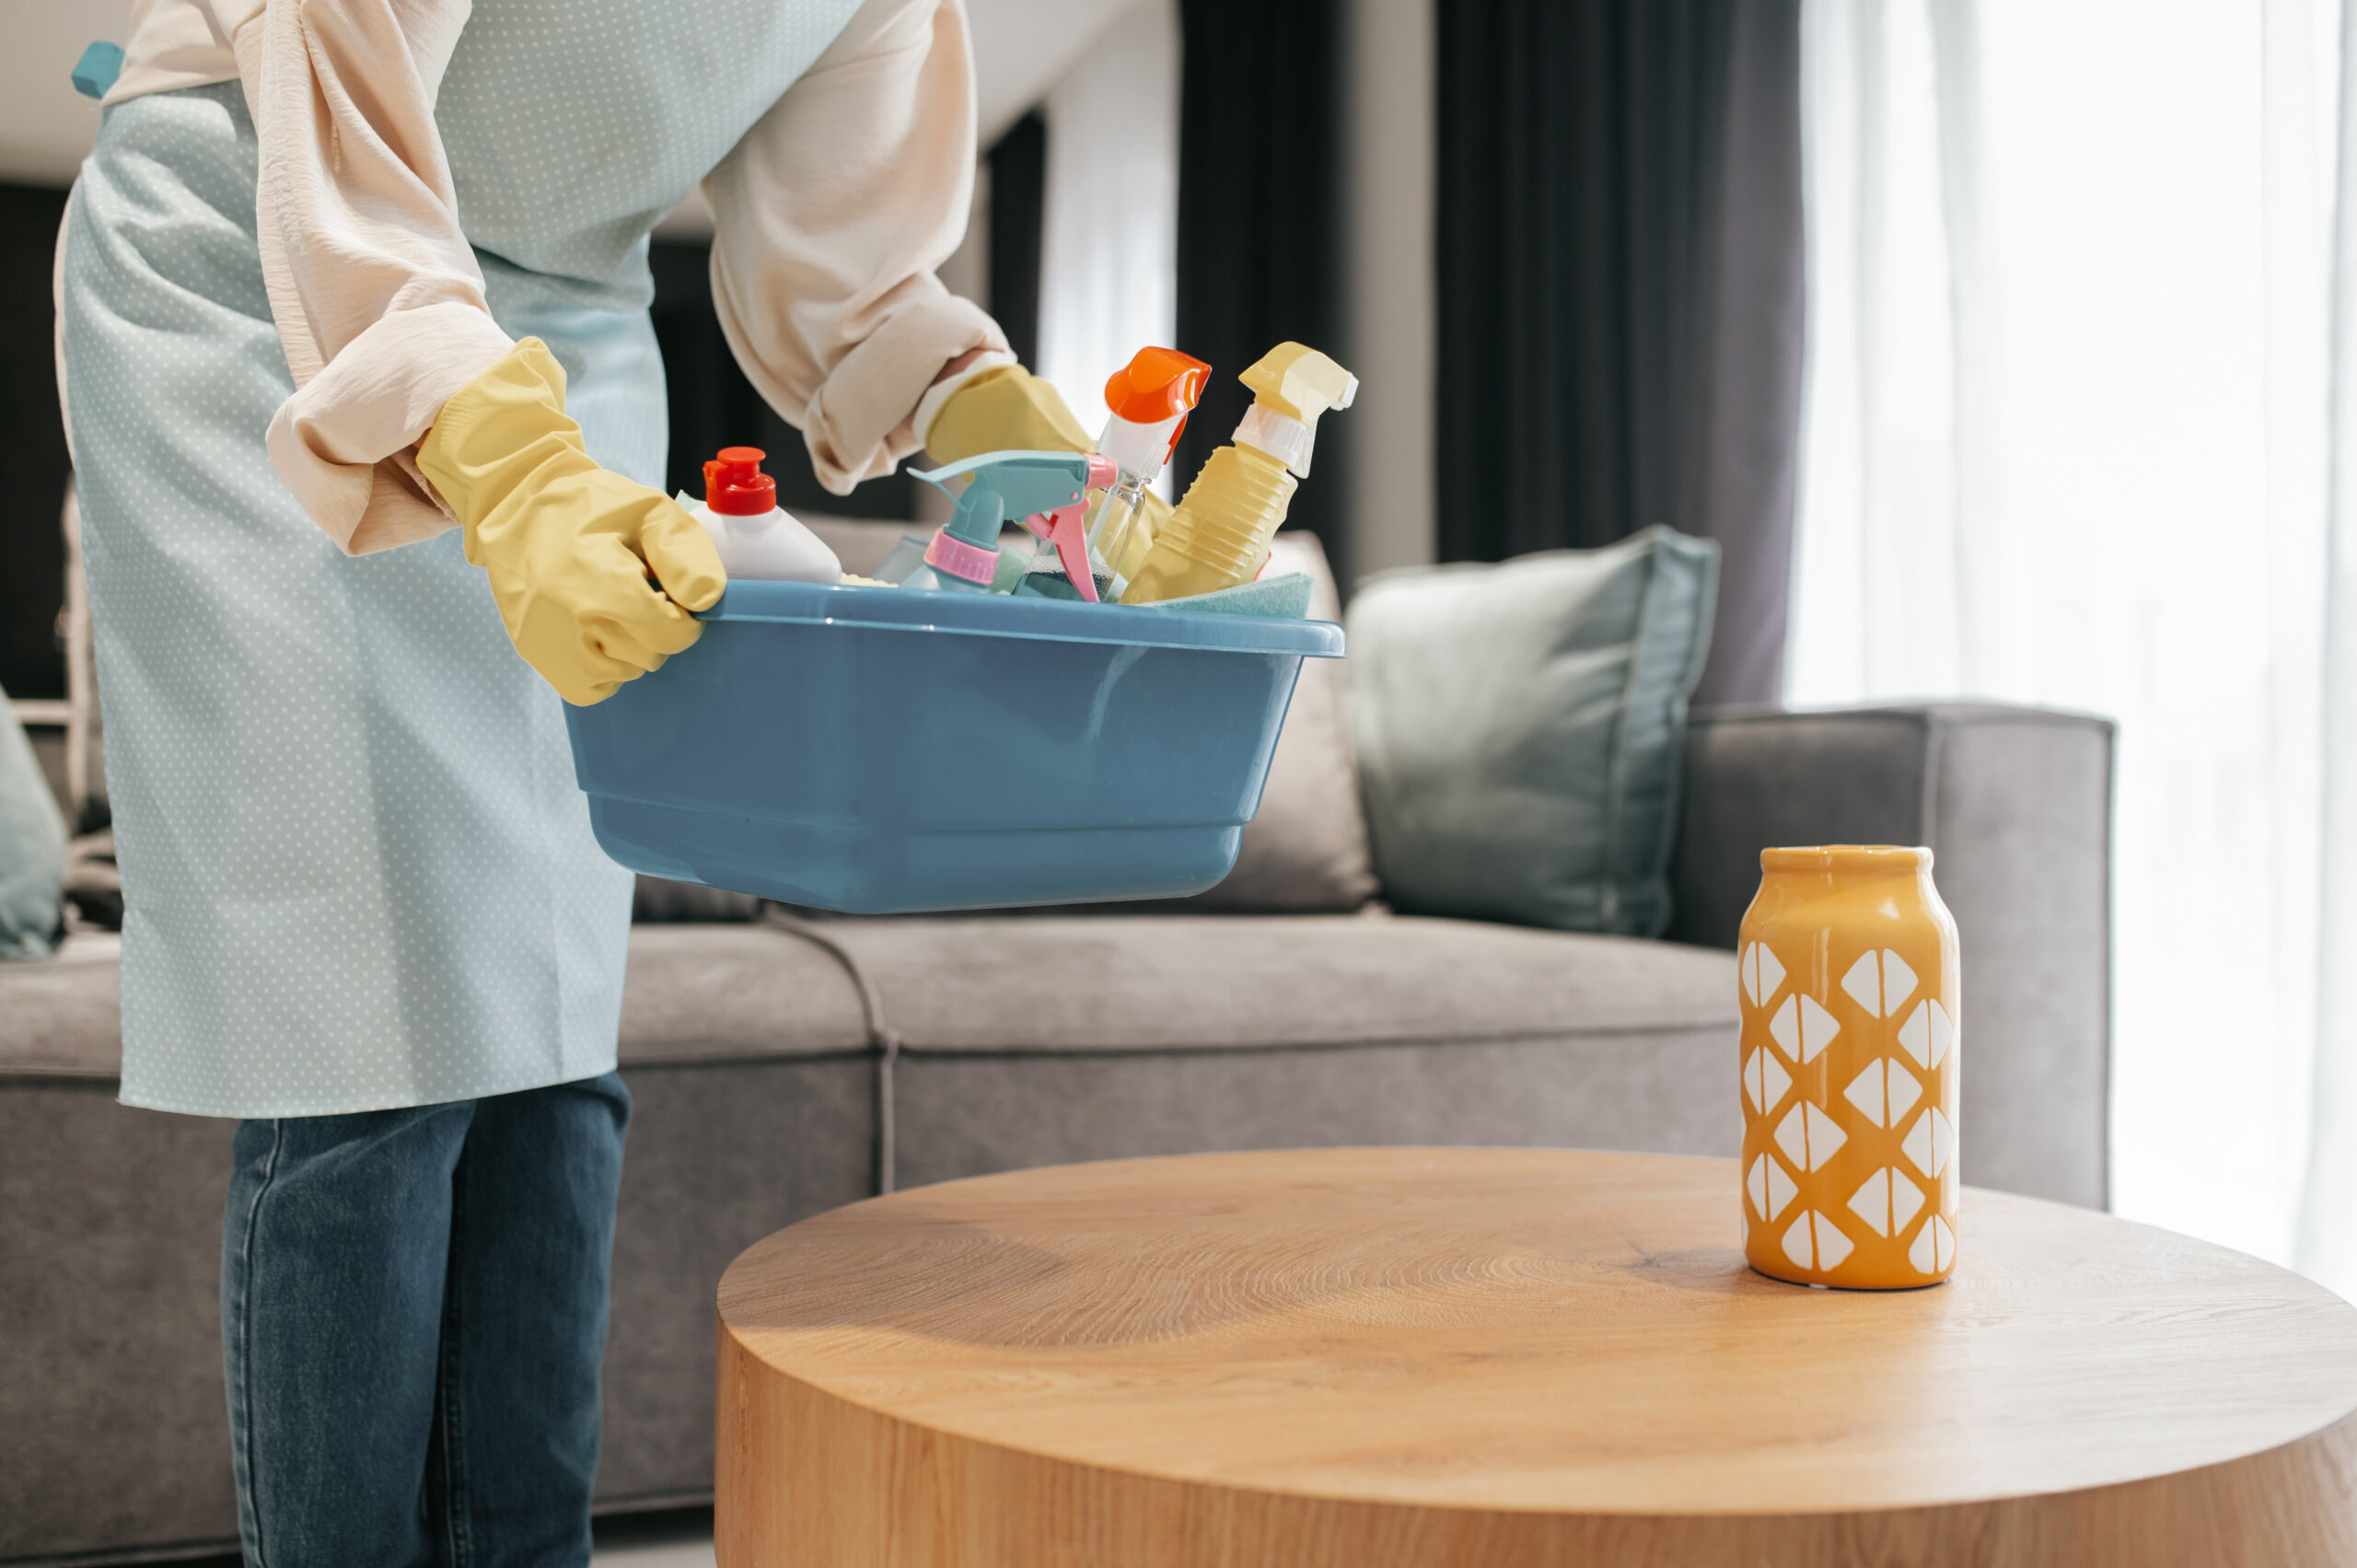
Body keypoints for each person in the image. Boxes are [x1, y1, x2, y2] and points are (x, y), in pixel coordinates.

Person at [55, 0, 1105, 1560]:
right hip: (267, 264)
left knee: (549, 1031)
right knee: (360, 1040)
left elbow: (847, 260)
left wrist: (966, 393)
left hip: (566, 340)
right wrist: (506, 467)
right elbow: (337, 107)